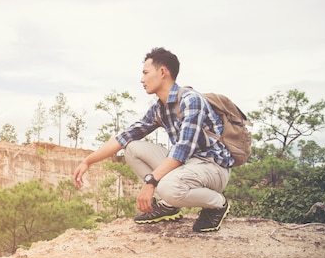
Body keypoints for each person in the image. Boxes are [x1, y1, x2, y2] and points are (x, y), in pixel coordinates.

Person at [72, 47, 233, 232]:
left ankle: (218, 204)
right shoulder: (159, 109)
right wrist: (87, 161)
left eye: (145, 73)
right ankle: (167, 206)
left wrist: (151, 182)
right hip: (188, 166)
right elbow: (124, 137)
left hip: (213, 168)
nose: (142, 79)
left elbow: (182, 149)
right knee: (132, 148)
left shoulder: (191, 100)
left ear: (162, 72)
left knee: (166, 185)